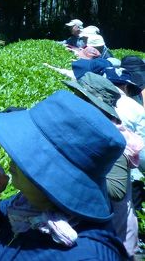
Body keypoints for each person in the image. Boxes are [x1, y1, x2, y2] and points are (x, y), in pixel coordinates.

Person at [0, 90, 128, 260]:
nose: (12, 157)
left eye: (27, 154)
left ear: (56, 178)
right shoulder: (28, 204)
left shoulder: (87, 255)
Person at [64, 73, 143, 258]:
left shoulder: (110, 138)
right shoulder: (91, 128)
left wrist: (70, 171)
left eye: (81, 97)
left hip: (115, 232)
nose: (75, 100)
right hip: (100, 226)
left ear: (95, 105)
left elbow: (116, 190)